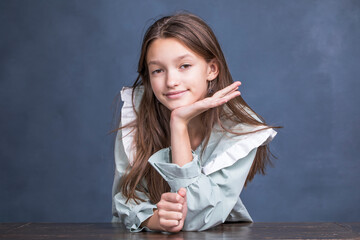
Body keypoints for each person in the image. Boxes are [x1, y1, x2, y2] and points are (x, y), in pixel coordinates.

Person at [111, 12, 280, 233]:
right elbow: (125, 198)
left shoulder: (241, 131)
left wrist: (178, 124)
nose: (171, 81)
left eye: (184, 66)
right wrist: (156, 219)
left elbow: (195, 218)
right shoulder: (137, 112)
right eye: (158, 70)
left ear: (212, 69)